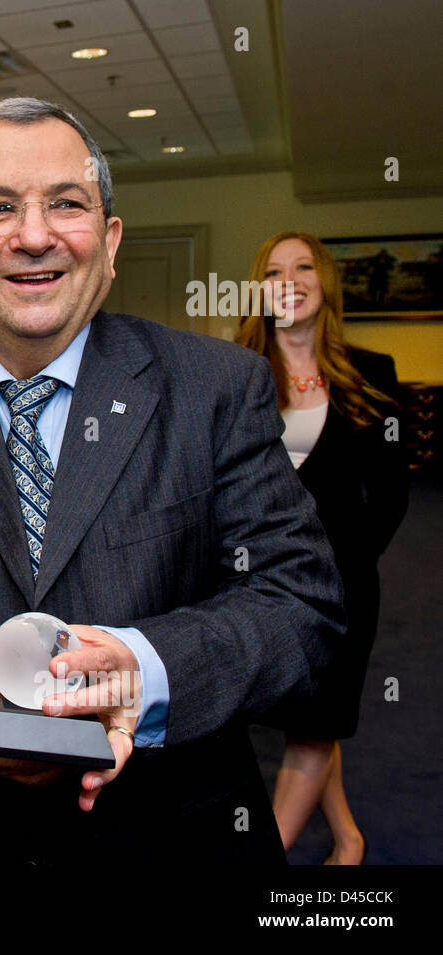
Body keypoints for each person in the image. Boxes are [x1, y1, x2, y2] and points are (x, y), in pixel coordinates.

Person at [0, 97, 344, 864]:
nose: (35, 235)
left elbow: (300, 601)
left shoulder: (217, 388)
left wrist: (142, 670)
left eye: (67, 203)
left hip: (172, 832)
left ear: (110, 242)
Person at [237, 231, 408, 865]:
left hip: (341, 591)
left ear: (325, 281)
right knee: (308, 719)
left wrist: (339, 570)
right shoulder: (239, 375)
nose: (291, 279)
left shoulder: (373, 374)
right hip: (253, 590)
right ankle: (348, 837)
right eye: (275, 269)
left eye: (304, 266)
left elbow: (390, 498)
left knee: (313, 731)